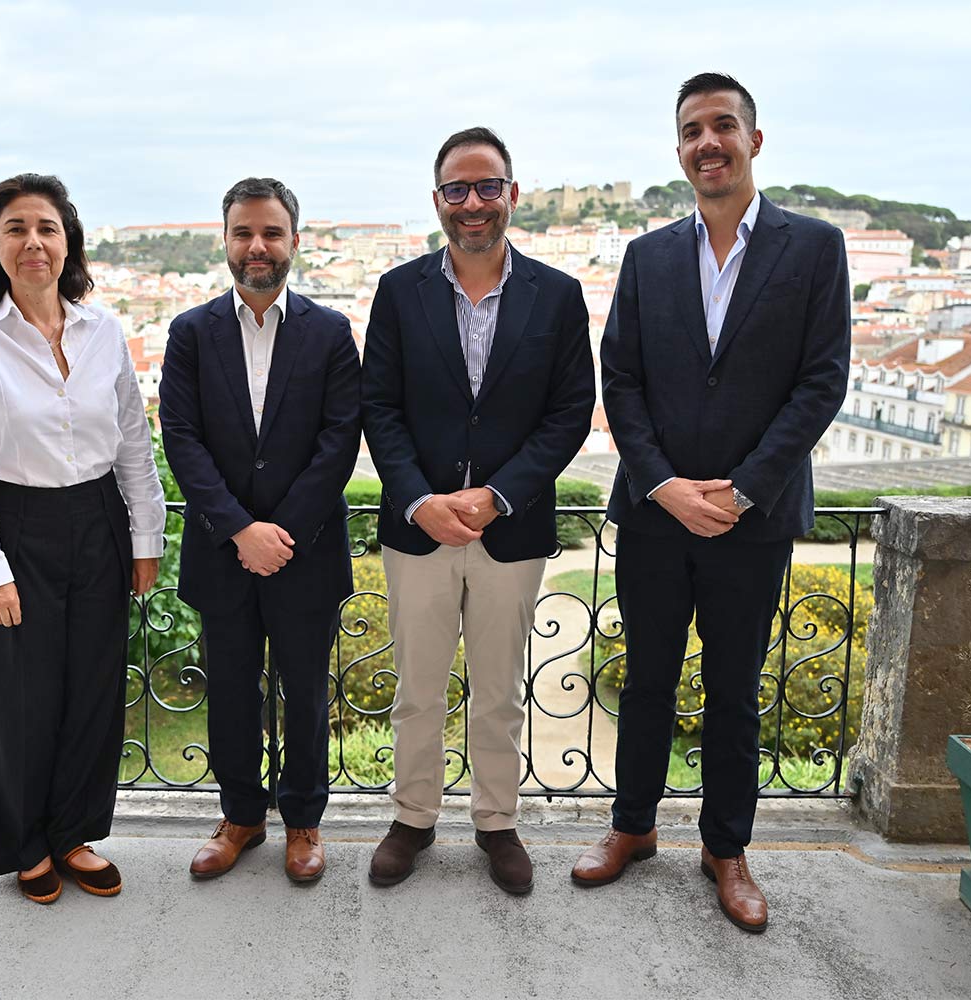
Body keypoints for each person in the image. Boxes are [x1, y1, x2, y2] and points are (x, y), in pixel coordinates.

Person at [570, 74, 850, 933]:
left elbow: (821, 382)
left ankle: (726, 850)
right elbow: (620, 379)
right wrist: (662, 484)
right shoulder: (647, 255)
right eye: (692, 130)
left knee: (735, 691)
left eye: (723, 125)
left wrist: (744, 488)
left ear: (754, 140)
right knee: (646, 681)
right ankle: (632, 828)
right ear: (679, 149)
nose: (708, 142)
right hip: (656, 515)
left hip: (750, 519)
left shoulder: (815, 247)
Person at [361, 127, 595, 895]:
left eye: (487, 186)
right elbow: (378, 407)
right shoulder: (399, 291)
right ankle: (413, 819)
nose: (472, 202)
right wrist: (419, 501)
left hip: (511, 529)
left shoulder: (557, 295)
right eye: (457, 189)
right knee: (417, 691)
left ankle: (497, 823)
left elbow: (569, 412)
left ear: (512, 195)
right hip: (418, 531)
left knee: (498, 693)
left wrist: (497, 496)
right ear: (437, 200)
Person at [0, 173, 166, 904]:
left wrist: (145, 536)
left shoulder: (104, 331)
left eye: (47, 227)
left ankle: (73, 832)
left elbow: (133, 440)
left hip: (98, 519)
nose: (33, 241)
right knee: (19, 695)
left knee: (92, 687)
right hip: (17, 523)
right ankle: (25, 844)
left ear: (68, 240)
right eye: (16, 228)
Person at [159, 177, 361, 883]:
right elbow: (182, 440)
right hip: (223, 552)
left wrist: (282, 532)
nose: (257, 246)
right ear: (225, 240)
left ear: (294, 242)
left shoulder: (330, 333)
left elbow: (339, 442)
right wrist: (241, 529)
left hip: (306, 553)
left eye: (271, 233)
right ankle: (240, 817)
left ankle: (303, 821)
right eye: (243, 232)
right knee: (231, 694)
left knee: (305, 696)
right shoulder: (190, 333)